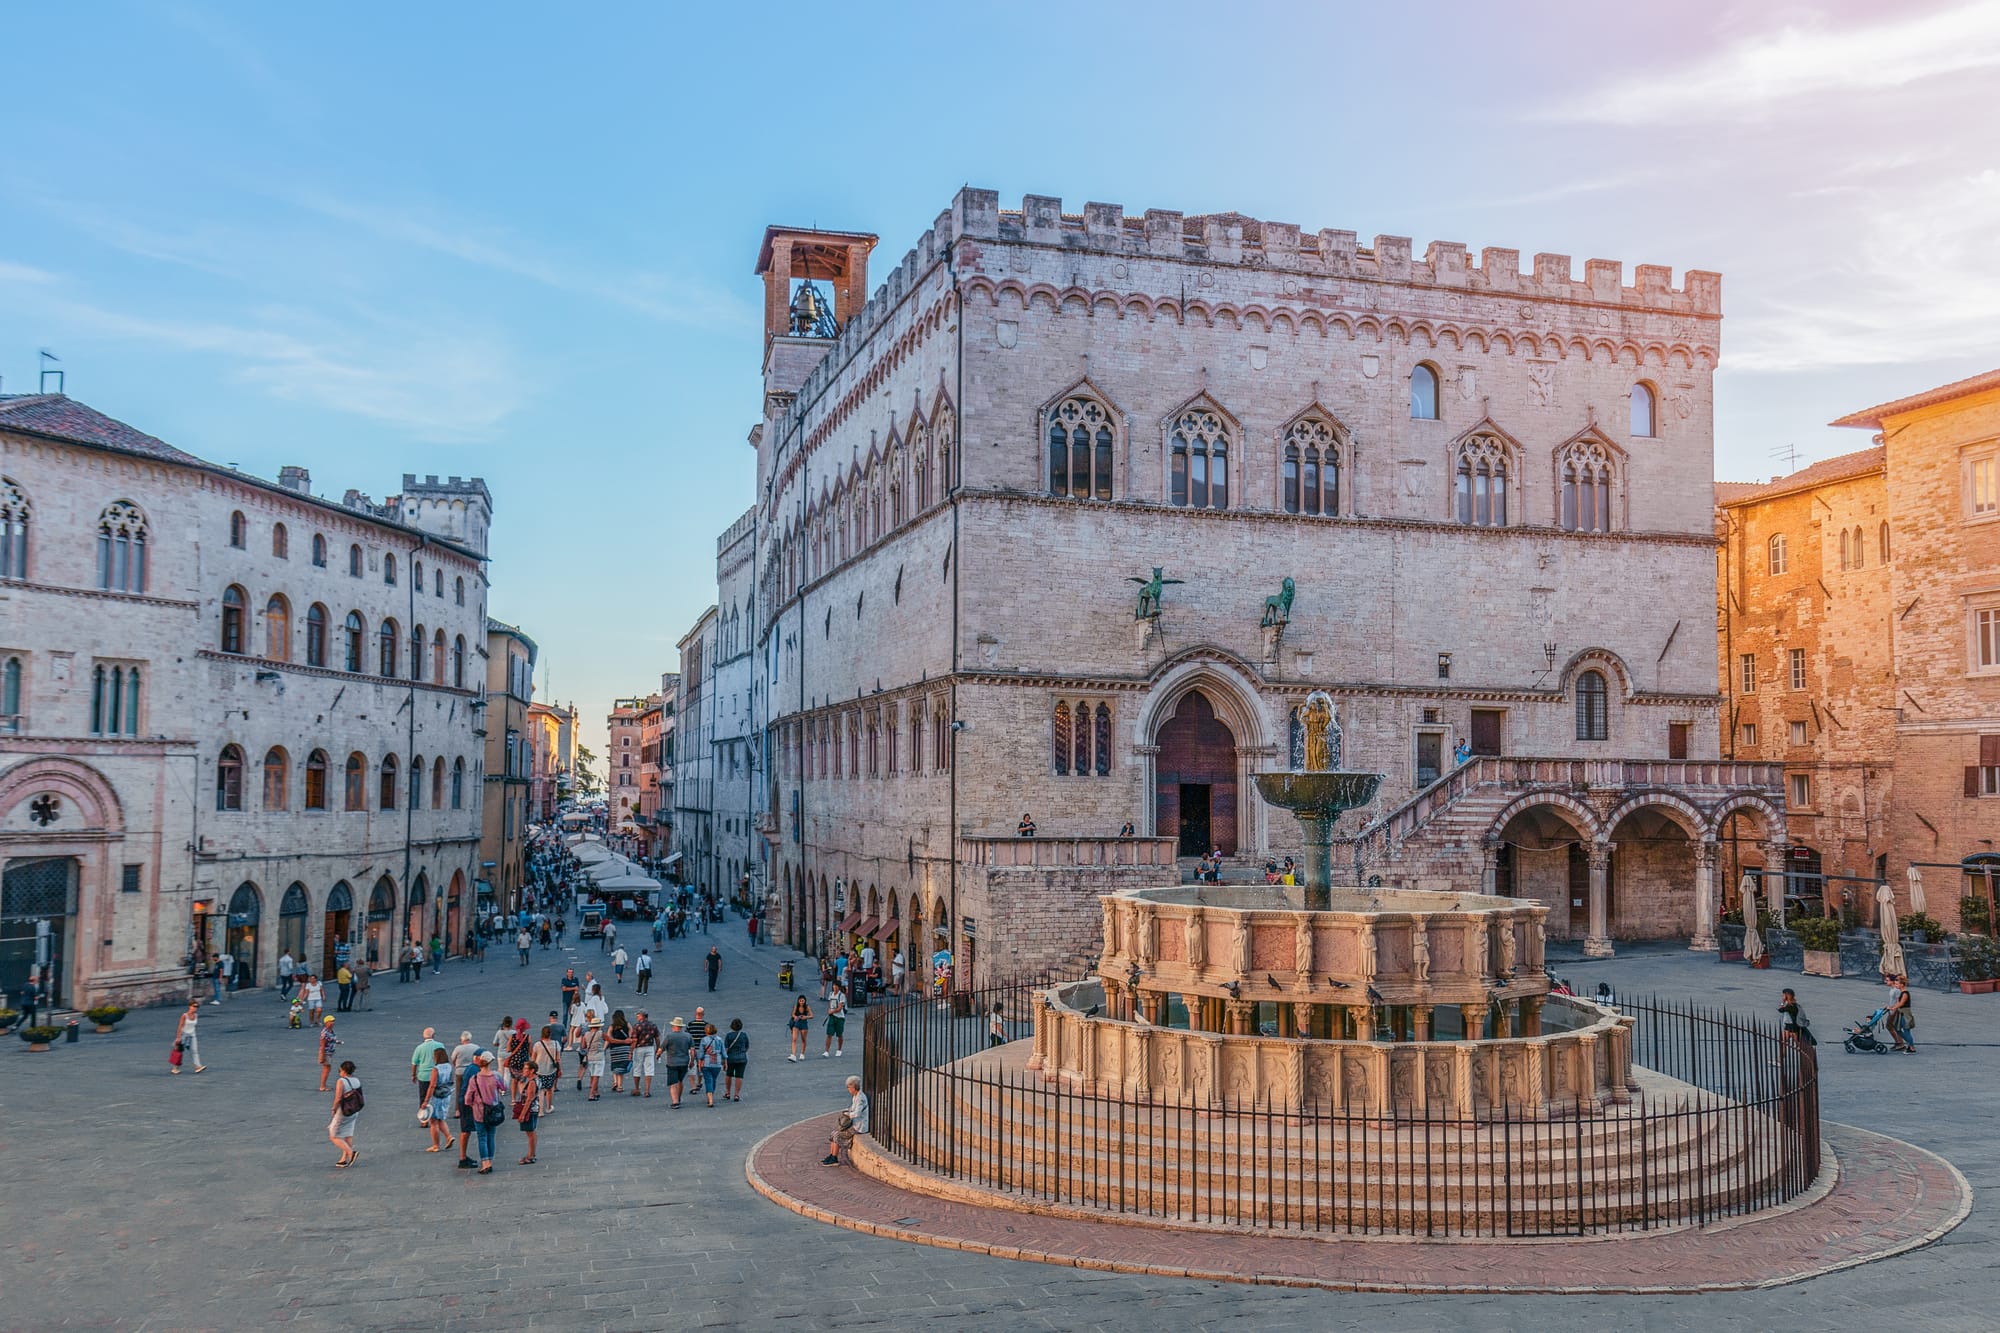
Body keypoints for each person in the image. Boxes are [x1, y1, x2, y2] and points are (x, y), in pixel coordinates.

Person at [463, 1053, 504, 1174]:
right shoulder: (496, 1076)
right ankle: (490, 1161)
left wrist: (473, 1104)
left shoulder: (474, 1079)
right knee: (491, 1136)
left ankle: (485, 1163)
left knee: (482, 1137)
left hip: (479, 1112)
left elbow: (467, 1098)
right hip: (493, 1111)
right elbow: (504, 1087)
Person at [821, 1075, 869, 1166]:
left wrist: (848, 1115)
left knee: (837, 1135)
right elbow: (852, 1108)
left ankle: (834, 1158)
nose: (848, 1089)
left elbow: (857, 1113)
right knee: (833, 1133)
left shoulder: (860, 1098)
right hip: (854, 1124)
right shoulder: (856, 1096)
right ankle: (831, 1155)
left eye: (849, 1087)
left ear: (854, 1087)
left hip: (858, 1126)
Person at [329, 1060, 363, 1168]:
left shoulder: (341, 1081)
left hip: (343, 1110)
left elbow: (338, 1097)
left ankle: (350, 1152)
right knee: (348, 1133)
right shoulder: (357, 1080)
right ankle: (343, 1159)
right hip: (354, 1110)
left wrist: (334, 1108)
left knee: (333, 1134)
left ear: (343, 1070)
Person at [411, 1027, 447, 1120]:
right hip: (437, 1075)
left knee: (423, 1096)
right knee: (436, 1096)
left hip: (423, 1075)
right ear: (433, 1035)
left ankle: (424, 1118)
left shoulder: (419, 1048)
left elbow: (414, 1063)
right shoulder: (440, 1045)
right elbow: (444, 1060)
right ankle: (435, 1115)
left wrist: (413, 1075)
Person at [424, 1050, 456, 1153]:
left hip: (437, 1096)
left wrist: (426, 1100)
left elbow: (432, 1085)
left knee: (433, 1121)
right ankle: (448, 1136)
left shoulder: (436, 1069)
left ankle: (435, 1145)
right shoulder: (449, 1066)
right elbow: (451, 1081)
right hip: (446, 1094)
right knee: (441, 1118)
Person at [512, 1046, 541, 1165]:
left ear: (531, 1071)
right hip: (534, 1108)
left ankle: (530, 1155)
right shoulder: (536, 1079)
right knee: (532, 1132)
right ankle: (531, 1154)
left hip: (530, 1109)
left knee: (530, 1133)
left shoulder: (532, 1082)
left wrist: (522, 1114)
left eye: (525, 1069)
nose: (523, 1071)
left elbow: (529, 1099)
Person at [662, 1017, 692, 1109]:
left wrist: (658, 1054)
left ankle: (675, 1102)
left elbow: (662, 1048)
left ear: (674, 1026)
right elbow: (693, 1050)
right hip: (684, 1062)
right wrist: (692, 1061)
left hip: (672, 1062)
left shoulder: (669, 1036)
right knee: (680, 1081)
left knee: (673, 1082)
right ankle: (678, 1098)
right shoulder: (688, 1036)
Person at [695, 1020, 725, 1107]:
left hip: (707, 1063)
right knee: (714, 1080)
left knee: (708, 1080)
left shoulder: (704, 1040)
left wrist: (700, 1063)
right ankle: (711, 1094)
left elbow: (701, 1054)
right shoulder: (720, 1039)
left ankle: (710, 1099)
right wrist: (725, 1062)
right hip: (717, 1063)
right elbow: (723, 1053)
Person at [533, 1023, 562, 1113]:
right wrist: (560, 1069)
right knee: (550, 1089)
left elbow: (533, 1059)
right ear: (550, 1034)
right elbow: (558, 1059)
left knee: (540, 1090)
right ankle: (548, 1107)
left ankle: (540, 1109)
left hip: (539, 1070)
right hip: (551, 1070)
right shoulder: (556, 1044)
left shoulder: (538, 1045)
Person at [630, 1011, 660, 1097]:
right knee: (649, 1068)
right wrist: (658, 1048)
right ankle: (647, 1090)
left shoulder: (637, 1026)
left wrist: (631, 1051)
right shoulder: (653, 1025)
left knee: (637, 1067)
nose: (637, 1017)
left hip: (638, 1048)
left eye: (638, 1016)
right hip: (650, 1047)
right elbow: (657, 1037)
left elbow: (634, 1039)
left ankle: (637, 1088)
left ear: (642, 1016)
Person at [172, 999, 204, 1074]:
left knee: (195, 1051)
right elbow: (180, 1026)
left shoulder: (196, 1015)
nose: (195, 1008)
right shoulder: (184, 1015)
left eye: (197, 1007)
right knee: (179, 1051)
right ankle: (175, 1068)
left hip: (192, 1035)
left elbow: (194, 1026)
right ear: (190, 1006)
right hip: (184, 1034)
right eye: (194, 1006)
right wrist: (178, 1037)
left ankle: (197, 1067)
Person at [1887, 974, 1916, 1052]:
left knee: (1906, 1031)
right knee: (1897, 1029)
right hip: (1901, 1013)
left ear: (1902, 984)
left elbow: (1901, 1003)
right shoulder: (1901, 992)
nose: (1896, 985)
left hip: (1905, 1014)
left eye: (1897, 984)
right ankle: (1910, 1043)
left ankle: (1912, 1047)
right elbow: (1898, 1002)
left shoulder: (1905, 993)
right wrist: (1891, 1007)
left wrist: (1893, 1008)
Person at [723, 1018, 749, 1102]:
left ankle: (728, 1092)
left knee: (729, 1074)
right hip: (742, 1058)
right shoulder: (744, 1035)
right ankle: (736, 1094)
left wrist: (724, 1060)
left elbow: (726, 1048)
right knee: (739, 1076)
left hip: (730, 1058)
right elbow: (747, 1046)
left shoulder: (728, 1035)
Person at [607, 1010, 633, 1094]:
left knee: (615, 1065)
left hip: (614, 1048)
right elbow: (631, 1035)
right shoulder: (627, 1024)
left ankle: (615, 1082)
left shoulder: (612, 1026)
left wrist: (604, 1048)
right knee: (621, 1067)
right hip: (625, 1048)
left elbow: (608, 1038)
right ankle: (620, 1086)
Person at [584, 1017, 607, 1100]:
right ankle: (591, 1094)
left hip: (590, 1057)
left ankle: (595, 1091)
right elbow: (611, 1040)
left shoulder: (586, 1034)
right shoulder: (601, 1033)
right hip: (599, 1057)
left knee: (592, 1075)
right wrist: (625, 1041)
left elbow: (583, 1046)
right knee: (596, 1076)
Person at [316, 1015, 340, 1092]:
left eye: (333, 1021)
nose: (332, 1023)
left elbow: (331, 1039)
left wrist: (337, 1042)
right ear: (326, 1022)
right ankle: (322, 1086)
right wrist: (322, 1056)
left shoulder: (331, 1031)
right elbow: (322, 1045)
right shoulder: (325, 1033)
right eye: (331, 1021)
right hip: (326, 1052)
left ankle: (323, 1085)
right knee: (326, 1069)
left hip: (329, 1052)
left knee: (327, 1068)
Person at [823, 984, 847, 1057]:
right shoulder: (831, 994)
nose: (835, 988)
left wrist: (832, 1011)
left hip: (839, 1017)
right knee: (829, 1034)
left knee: (839, 1034)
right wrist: (829, 1010)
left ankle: (839, 1049)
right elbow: (830, 1004)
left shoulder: (841, 995)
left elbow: (840, 1008)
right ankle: (826, 1051)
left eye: (836, 986)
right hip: (832, 1017)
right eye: (834, 986)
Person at [788, 995, 813, 1061]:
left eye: (803, 1001)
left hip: (804, 1023)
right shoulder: (796, 1006)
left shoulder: (807, 1007)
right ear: (798, 1001)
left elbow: (812, 1015)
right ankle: (793, 1055)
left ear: (805, 1001)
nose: (801, 1002)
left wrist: (806, 1017)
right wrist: (795, 1017)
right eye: (800, 1001)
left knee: (803, 1039)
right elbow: (793, 1014)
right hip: (797, 1023)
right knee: (794, 1039)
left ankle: (802, 1054)